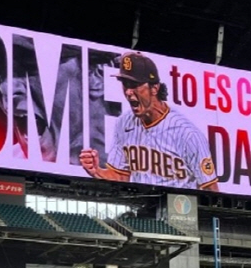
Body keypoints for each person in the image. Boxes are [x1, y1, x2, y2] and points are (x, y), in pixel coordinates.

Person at [79, 51, 219, 192]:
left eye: (134, 84)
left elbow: (211, 189)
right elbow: (120, 177)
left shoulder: (187, 134)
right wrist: (96, 171)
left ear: (154, 88)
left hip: (180, 210)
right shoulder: (124, 123)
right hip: (144, 209)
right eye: (125, 84)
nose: (128, 92)